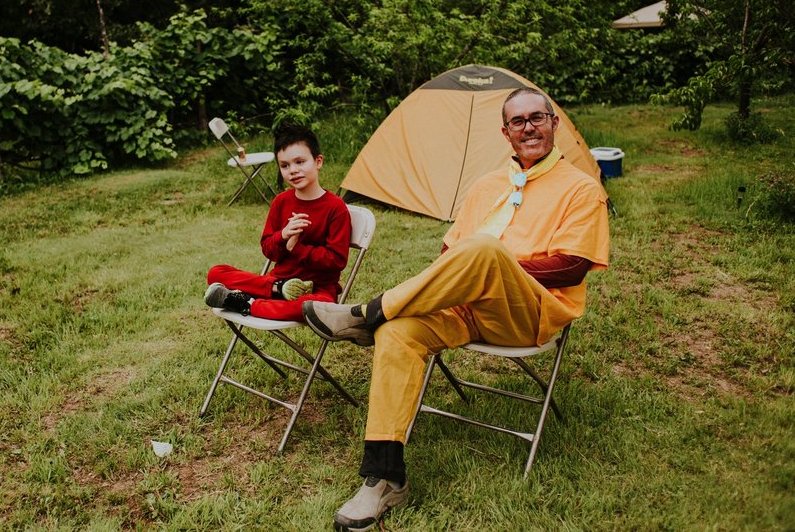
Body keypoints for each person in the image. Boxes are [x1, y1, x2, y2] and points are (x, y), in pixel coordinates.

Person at [302, 87, 610, 532]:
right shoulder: (486, 185)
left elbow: (572, 266)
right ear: (506, 132)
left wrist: (496, 267)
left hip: (528, 314)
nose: (529, 127)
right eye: (518, 122)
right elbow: (450, 256)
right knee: (398, 333)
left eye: (537, 117)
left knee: (485, 250)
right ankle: (384, 478)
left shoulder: (582, 188)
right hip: (465, 310)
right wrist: (473, 270)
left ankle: (367, 313)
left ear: (554, 122)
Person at [204, 124, 351, 321]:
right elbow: (268, 249)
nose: (293, 170)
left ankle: (247, 303)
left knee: (311, 308)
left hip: (317, 288)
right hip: (276, 281)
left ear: (318, 161)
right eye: (285, 165)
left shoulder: (335, 207)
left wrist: (296, 248)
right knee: (216, 273)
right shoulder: (281, 202)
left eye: (300, 162)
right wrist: (282, 236)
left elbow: (336, 261)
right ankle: (277, 292)